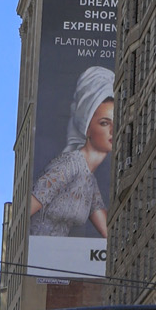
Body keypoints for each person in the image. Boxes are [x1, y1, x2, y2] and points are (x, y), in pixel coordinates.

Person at [28, 67, 114, 240]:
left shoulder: (89, 180)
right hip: (39, 256)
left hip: (58, 259)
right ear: (86, 128)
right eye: (105, 123)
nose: (113, 130)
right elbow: (23, 214)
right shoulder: (68, 166)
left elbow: (110, 235)